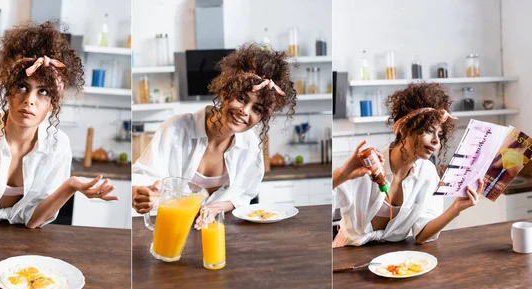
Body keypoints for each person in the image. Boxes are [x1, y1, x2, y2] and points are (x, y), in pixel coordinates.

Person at [0, 21, 118, 233]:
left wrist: (70, 186)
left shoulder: (58, 145)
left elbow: (33, 222)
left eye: (43, 91)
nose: (29, 100)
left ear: (54, 101)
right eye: (22, 86)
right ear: (7, 90)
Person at [132, 43, 297, 229]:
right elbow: (141, 179)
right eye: (242, 98)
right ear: (226, 91)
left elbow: (243, 196)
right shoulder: (175, 129)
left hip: (216, 233)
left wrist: (215, 208)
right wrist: (140, 194)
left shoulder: (251, 146)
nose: (244, 111)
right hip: (168, 230)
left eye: (257, 108)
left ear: (263, 117)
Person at [332, 83, 485, 247]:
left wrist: (456, 208)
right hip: (348, 254)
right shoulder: (366, 167)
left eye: (439, 135)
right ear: (405, 129)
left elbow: (421, 235)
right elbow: (321, 210)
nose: (436, 141)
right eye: (428, 130)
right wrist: (342, 174)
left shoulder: (427, 174)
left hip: (395, 261)